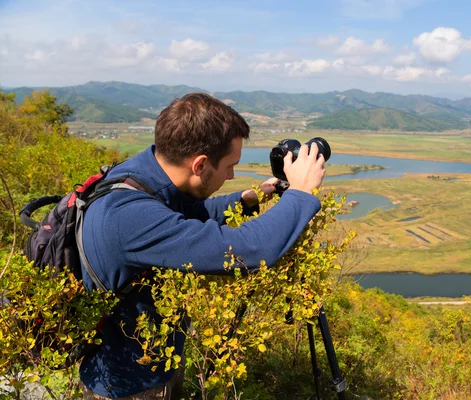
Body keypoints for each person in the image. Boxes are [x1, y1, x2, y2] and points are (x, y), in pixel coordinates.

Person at [78, 93, 326, 399]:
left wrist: (247, 200)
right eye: (230, 166)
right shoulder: (128, 218)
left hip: (153, 366)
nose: (232, 174)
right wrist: (301, 193)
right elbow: (251, 249)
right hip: (129, 386)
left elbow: (182, 217)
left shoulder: (143, 173)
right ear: (200, 165)